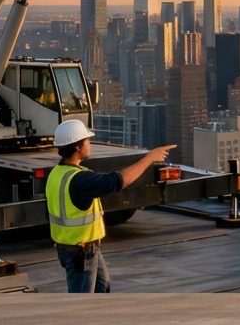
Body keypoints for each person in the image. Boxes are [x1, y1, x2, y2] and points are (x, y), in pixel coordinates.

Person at [47, 119, 176, 293]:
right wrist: (150, 158)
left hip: (76, 247)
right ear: (77, 147)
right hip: (81, 251)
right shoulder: (79, 180)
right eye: (87, 140)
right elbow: (118, 180)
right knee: (81, 304)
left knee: (103, 286)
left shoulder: (58, 173)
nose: (89, 143)